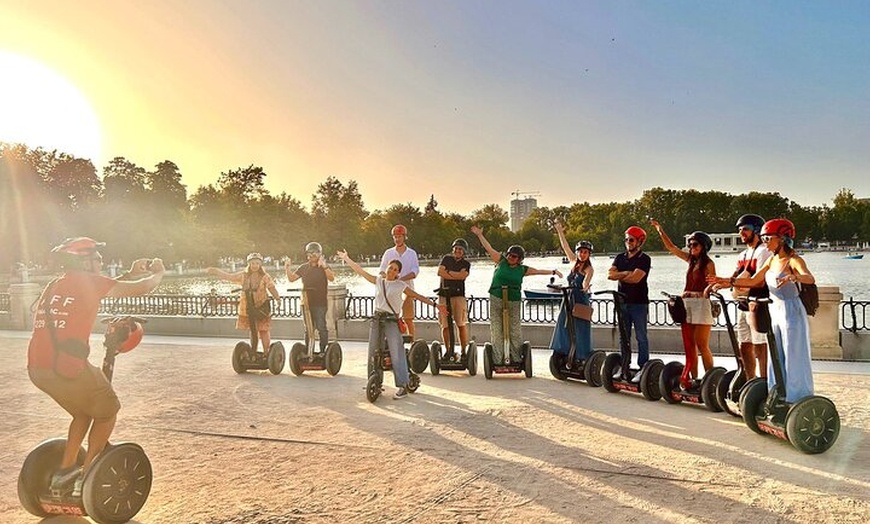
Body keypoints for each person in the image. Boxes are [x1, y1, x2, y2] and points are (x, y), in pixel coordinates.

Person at [26, 237, 165, 497]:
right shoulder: (89, 282)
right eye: (98, 258)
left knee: (83, 412)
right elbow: (143, 288)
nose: (102, 261)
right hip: (66, 367)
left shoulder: (56, 284)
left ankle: (64, 472)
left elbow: (100, 290)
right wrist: (158, 273)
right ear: (86, 261)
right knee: (108, 409)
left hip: (38, 368)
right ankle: (87, 475)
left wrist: (130, 273)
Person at [709, 218, 815, 404]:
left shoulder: (794, 259)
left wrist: (793, 276)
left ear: (782, 238)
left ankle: (798, 398)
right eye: (764, 238)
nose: (765, 242)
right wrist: (728, 281)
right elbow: (754, 281)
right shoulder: (772, 260)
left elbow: (809, 278)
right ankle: (777, 393)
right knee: (777, 357)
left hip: (792, 312)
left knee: (794, 356)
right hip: (776, 312)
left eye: (768, 238)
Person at [336, 249, 443, 399]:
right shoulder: (379, 281)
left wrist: (435, 305)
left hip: (392, 320)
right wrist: (346, 258)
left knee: (396, 352)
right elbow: (360, 271)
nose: (391, 270)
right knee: (374, 351)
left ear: (398, 273)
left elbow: (417, 296)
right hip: (377, 318)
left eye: (395, 269)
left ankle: (402, 386)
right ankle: (375, 383)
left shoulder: (400, 285)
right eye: (390, 267)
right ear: (386, 268)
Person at [471, 225, 562, 364]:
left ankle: (515, 358)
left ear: (519, 259)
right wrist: (479, 235)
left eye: (514, 256)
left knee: (514, 330)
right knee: (497, 330)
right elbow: (488, 248)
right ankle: (497, 359)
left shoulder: (522, 269)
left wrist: (553, 272)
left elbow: (538, 271)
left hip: (513, 300)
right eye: (509, 255)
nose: (510, 258)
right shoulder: (500, 261)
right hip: (496, 297)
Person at [651, 220, 717, 390]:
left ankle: (711, 378)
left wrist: (695, 293)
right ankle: (694, 379)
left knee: (702, 343)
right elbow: (672, 248)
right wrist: (660, 230)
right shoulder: (690, 261)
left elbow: (712, 286)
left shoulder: (709, 264)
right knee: (690, 345)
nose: (691, 248)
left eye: (695, 245)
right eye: (690, 244)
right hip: (687, 305)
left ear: (703, 246)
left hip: (702, 305)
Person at [207, 253, 280, 353]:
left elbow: (272, 288)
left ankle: (266, 352)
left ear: (260, 265)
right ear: (249, 264)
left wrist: (278, 299)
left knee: (263, 330)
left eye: (257, 263)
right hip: (248, 307)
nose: (255, 265)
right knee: (253, 330)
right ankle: (253, 351)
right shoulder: (243, 275)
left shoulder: (265, 276)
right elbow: (230, 277)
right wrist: (216, 271)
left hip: (261, 306)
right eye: (253, 263)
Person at [607, 225, 651, 382]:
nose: (628, 242)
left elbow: (636, 279)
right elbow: (610, 275)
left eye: (631, 240)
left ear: (640, 241)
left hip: (639, 304)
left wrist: (621, 275)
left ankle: (643, 367)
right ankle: (624, 365)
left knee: (641, 337)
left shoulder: (644, 259)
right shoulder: (620, 257)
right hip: (623, 303)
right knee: (624, 337)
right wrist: (626, 273)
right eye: (626, 239)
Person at [730, 214, 771, 379]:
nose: (742, 233)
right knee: (744, 345)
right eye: (740, 230)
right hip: (742, 305)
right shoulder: (743, 255)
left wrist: (735, 284)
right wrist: (716, 284)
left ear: (756, 230)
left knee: (760, 345)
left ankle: (764, 380)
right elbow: (734, 277)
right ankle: (750, 380)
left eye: (745, 229)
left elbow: (760, 282)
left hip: (757, 305)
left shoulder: (764, 252)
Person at [549, 221, 594, 365]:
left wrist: (586, 286)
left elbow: (587, 280)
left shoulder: (588, 269)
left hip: (580, 298)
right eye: (580, 251)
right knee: (564, 325)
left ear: (589, 254)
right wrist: (560, 231)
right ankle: (564, 351)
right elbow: (565, 246)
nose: (582, 254)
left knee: (579, 328)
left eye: (585, 252)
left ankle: (581, 356)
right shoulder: (573, 261)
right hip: (568, 298)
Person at [285, 242, 335, 352]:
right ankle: (308, 351)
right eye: (310, 253)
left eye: (316, 253)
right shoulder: (303, 267)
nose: (313, 255)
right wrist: (287, 268)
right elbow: (292, 279)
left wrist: (324, 266)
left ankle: (323, 350)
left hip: (320, 303)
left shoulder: (323, 267)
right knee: (308, 328)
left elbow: (332, 278)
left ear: (320, 254)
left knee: (321, 327)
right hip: (306, 302)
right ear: (307, 254)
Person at [378, 224, 420, 339]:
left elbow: (415, 271)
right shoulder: (388, 253)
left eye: (400, 236)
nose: (397, 239)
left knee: (408, 318)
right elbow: (382, 270)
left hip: (407, 289)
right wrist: (387, 278)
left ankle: (412, 342)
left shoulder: (411, 253)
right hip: (391, 289)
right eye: (395, 237)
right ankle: (394, 342)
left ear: (404, 237)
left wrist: (400, 279)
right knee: (392, 317)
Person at [436, 238, 472, 355]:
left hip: (458, 296)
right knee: (445, 325)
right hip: (444, 295)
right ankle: (448, 350)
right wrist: (455, 275)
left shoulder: (466, 264)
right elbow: (440, 272)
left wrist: (448, 273)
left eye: (460, 249)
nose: (458, 251)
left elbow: (462, 276)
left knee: (460, 324)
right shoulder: (446, 259)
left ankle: (463, 351)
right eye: (456, 248)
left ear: (464, 251)